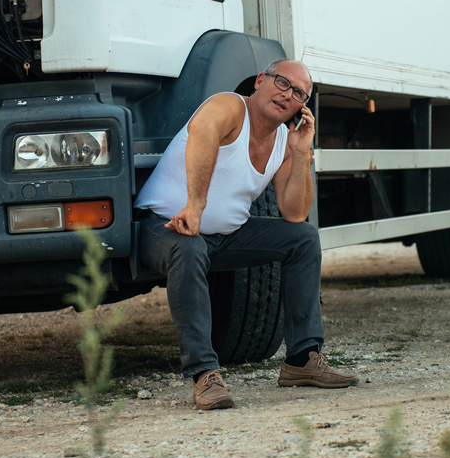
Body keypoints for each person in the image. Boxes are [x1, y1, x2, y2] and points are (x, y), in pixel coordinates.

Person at [134, 58, 358, 410]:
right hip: (162, 226)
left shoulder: (285, 141)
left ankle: (302, 359)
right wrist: (194, 207)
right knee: (188, 249)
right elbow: (203, 132)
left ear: (302, 106)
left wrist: (301, 153)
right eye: (282, 83)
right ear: (260, 81)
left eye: (299, 93)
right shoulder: (229, 106)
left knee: (303, 238)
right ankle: (205, 373)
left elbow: (295, 212)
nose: (287, 95)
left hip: (224, 237)